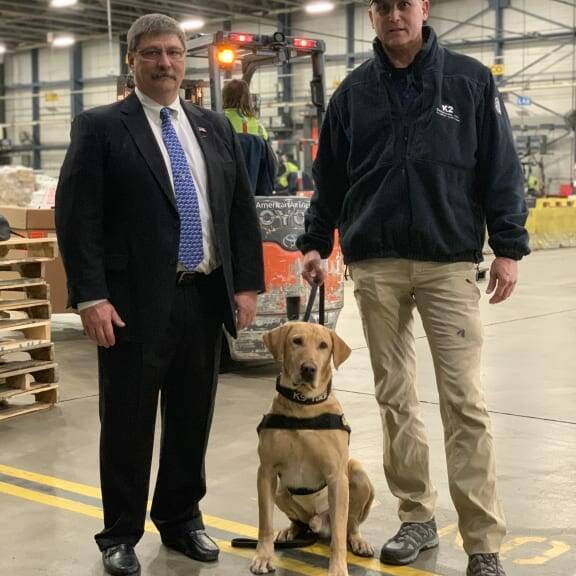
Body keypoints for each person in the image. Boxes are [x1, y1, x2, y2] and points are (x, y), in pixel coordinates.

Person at [297, 1, 530, 575]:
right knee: (394, 397)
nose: (395, 15)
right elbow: (329, 177)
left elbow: (499, 166)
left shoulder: (470, 81)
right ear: (372, 17)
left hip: (448, 263)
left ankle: (483, 543)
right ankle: (417, 517)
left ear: (423, 9)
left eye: (406, 3)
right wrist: (313, 240)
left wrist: (508, 244)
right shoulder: (352, 94)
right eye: (384, 6)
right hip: (375, 265)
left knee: (464, 403)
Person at [55, 13, 264, 576]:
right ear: (132, 62)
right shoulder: (100, 127)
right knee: (127, 420)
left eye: (173, 52)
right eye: (151, 53)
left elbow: (239, 210)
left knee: (193, 415)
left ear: (185, 60)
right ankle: (120, 532)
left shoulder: (213, 127)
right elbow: (78, 220)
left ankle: (180, 517)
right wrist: (90, 296)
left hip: (202, 297)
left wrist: (246, 284)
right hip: (131, 304)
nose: (165, 62)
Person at [222, 78, 276, 196]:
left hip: (226, 192)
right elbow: (271, 163)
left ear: (224, 96)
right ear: (248, 98)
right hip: (254, 193)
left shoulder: (218, 122)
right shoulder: (258, 126)